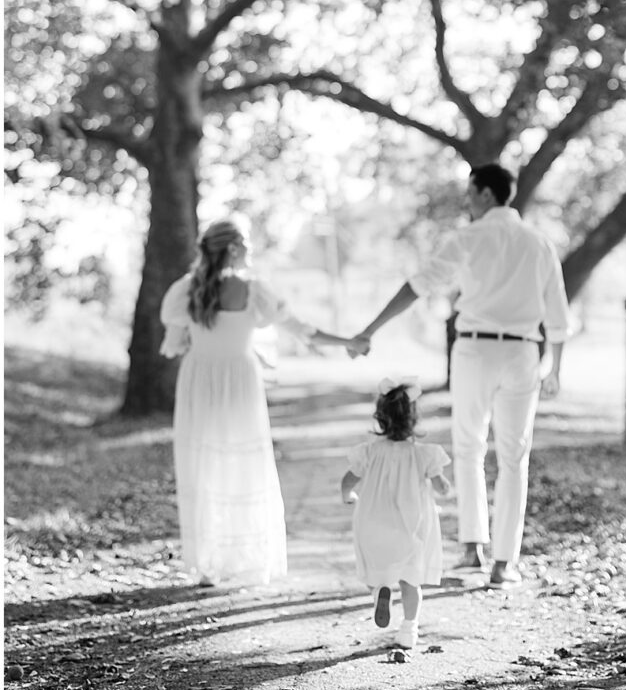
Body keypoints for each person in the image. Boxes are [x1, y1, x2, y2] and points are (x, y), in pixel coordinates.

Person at [347, 164, 569, 586]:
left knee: (469, 448)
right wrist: (556, 367)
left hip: (474, 349)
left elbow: (417, 286)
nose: (467, 201)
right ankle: (505, 564)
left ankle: (473, 549)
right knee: (513, 457)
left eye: (470, 193)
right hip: (523, 351)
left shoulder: (468, 239)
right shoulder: (540, 244)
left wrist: (369, 330)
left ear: (486, 194)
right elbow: (557, 314)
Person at [161, 215, 350, 586]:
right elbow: (302, 330)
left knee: (205, 464)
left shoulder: (185, 289)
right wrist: (350, 343)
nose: (250, 248)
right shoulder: (255, 289)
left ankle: (209, 563)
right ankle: (236, 558)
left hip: (199, 379)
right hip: (240, 379)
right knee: (242, 464)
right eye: (246, 241)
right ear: (233, 247)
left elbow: (176, 344)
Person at [341, 378, 452, 649]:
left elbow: (347, 482)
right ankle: (408, 630)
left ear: (380, 417)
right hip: (410, 525)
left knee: (377, 569)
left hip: (373, 522)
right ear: (414, 419)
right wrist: (444, 485)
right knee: (411, 578)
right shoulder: (424, 455)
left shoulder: (369, 452)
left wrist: (348, 496)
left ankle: (380, 591)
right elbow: (441, 488)